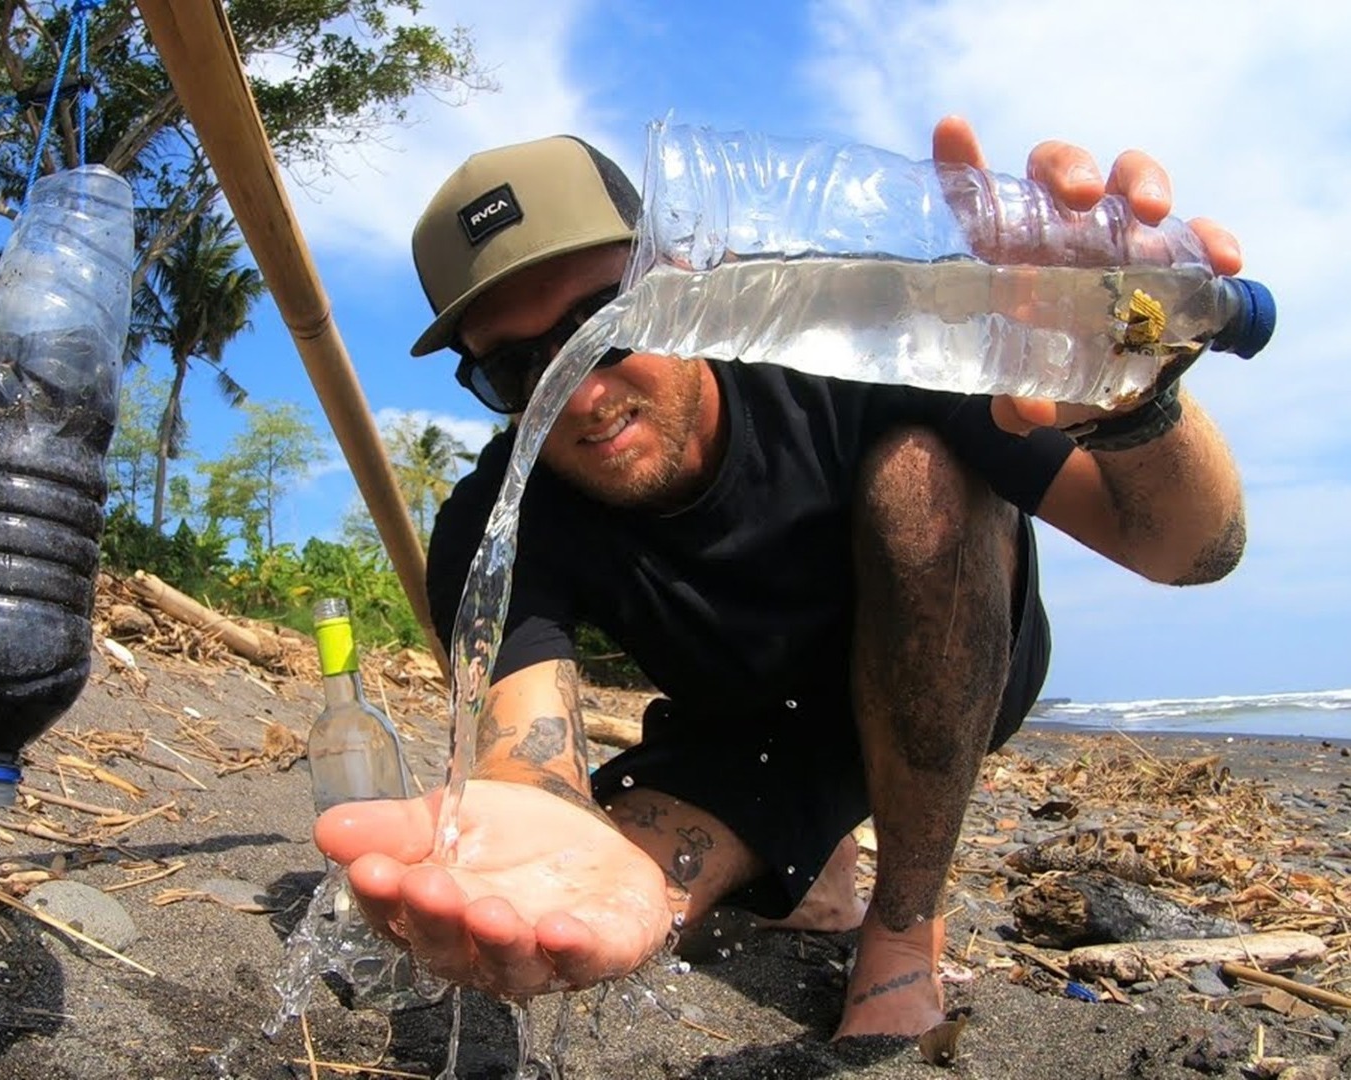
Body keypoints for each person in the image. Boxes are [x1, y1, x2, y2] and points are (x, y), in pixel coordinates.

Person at [314, 116, 1248, 1040]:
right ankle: (815, 853)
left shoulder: (852, 357)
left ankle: (901, 919)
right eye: (520, 368)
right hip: (754, 723)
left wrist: (1137, 395)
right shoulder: (497, 517)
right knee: (615, 882)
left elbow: (1188, 550)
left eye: (604, 326)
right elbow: (527, 750)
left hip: (954, 665)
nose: (584, 392)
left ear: (680, 284)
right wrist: (530, 815)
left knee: (919, 470)